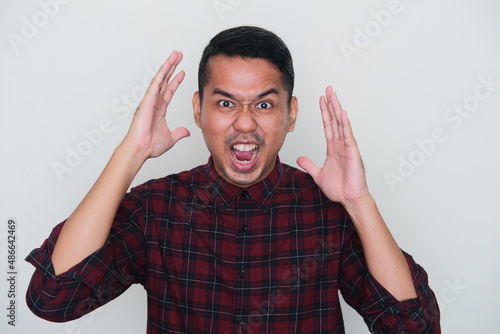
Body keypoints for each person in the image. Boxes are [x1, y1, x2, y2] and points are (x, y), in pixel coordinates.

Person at [26, 26, 440, 333]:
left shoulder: (327, 211)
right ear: (198, 108)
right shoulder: (156, 207)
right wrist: (129, 153)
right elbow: (53, 298)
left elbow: (412, 327)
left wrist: (359, 200)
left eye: (264, 103)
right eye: (225, 103)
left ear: (290, 115)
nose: (245, 123)